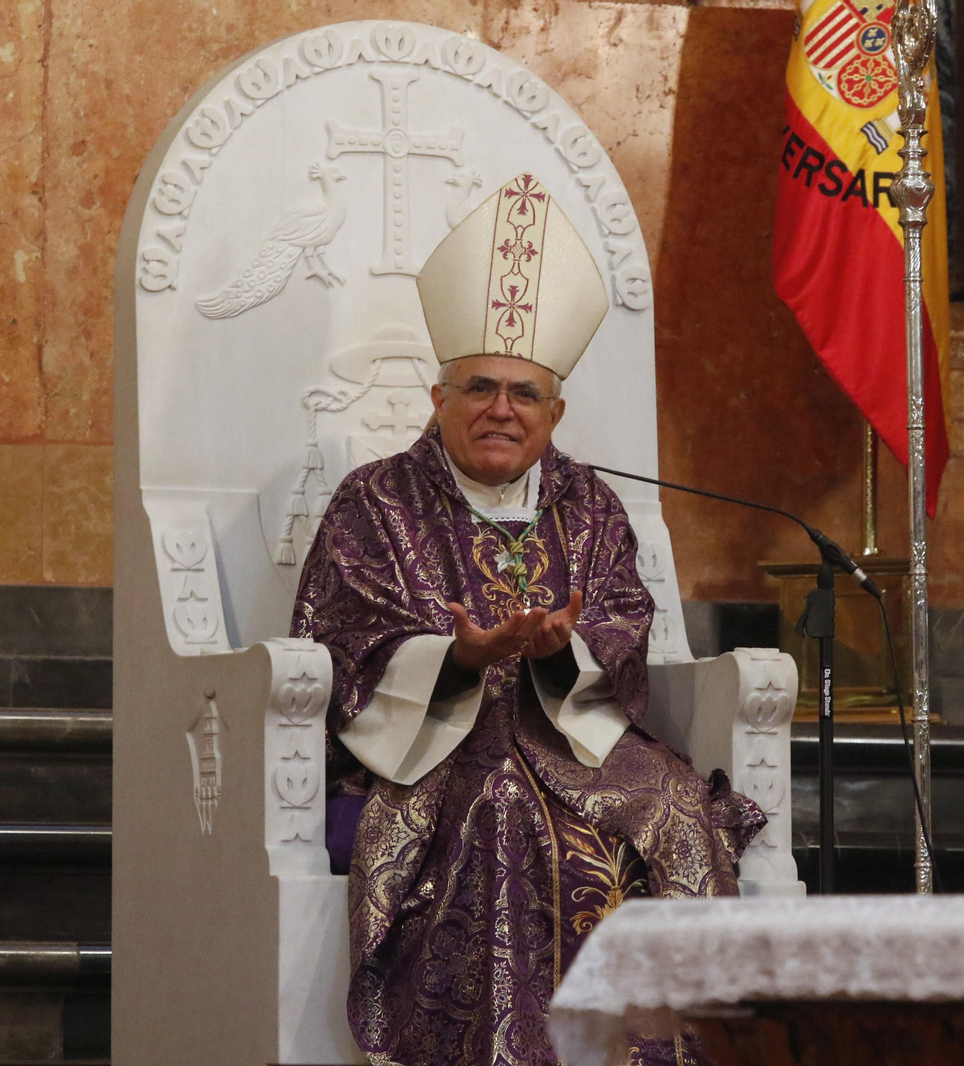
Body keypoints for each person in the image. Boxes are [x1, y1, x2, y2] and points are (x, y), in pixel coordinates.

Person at [292, 173, 764, 1066]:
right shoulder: (377, 502)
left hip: (571, 736)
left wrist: (568, 651)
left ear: (556, 412)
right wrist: (455, 657)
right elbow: (339, 640)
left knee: (678, 813)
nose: (499, 409)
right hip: (432, 753)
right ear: (438, 400)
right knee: (503, 815)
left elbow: (625, 619)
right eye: (478, 388)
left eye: (522, 393)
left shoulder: (591, 505)